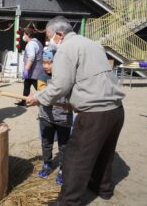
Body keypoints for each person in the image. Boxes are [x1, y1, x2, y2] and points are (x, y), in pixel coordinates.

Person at [26, 16, 125, 206]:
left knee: (74, 157)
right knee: (104, 153)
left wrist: (39, 98)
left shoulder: (66, 48)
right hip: (116, 111)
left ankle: (68, 202)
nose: (49, 42)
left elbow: (59, 86)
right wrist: (70, 103)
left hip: (95, 114)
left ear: (60, 34)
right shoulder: (92, 44)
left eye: (49, 37)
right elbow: (86, 80)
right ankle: (103, 189)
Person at [36, 47, 73, 185]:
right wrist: (38, 98)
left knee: (64, 145)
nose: (46, 66)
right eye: (44, 62)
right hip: (46, 116)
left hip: (64, 118)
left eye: (49, 62)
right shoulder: (42, 77)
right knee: (46, 142)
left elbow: (73, 95)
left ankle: (63, 169)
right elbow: (43, 92)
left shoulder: (67, 77)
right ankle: (47, 164)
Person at [15, 28, 44, 106]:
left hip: (34, 71)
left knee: (39, 87)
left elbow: (31, 57)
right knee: (26, 85)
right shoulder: (37, 42)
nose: (23, 36)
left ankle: (45, 102)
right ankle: (24, 101)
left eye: (24, 34)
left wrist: (26, 69)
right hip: (35, 70)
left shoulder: (31, 44)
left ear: (28, 35)